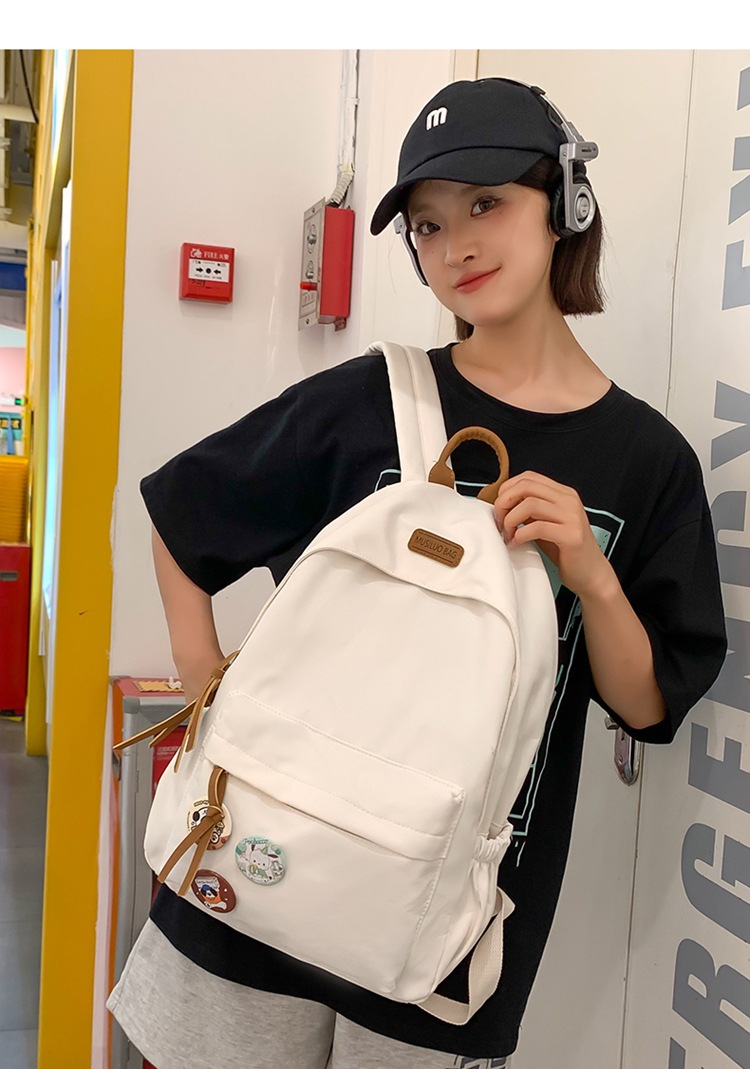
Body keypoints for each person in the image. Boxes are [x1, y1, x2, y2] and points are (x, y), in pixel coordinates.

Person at [107, 77, 727, 1069]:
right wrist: (203, 686)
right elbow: (184, 518)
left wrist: (593, 575)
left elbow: (647, 706)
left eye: (487, 204)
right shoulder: (370, 400)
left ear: (566, 205)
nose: (457, 246)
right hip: (260, 875)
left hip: (448, 929)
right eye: (429, 226)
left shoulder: (644, 461)